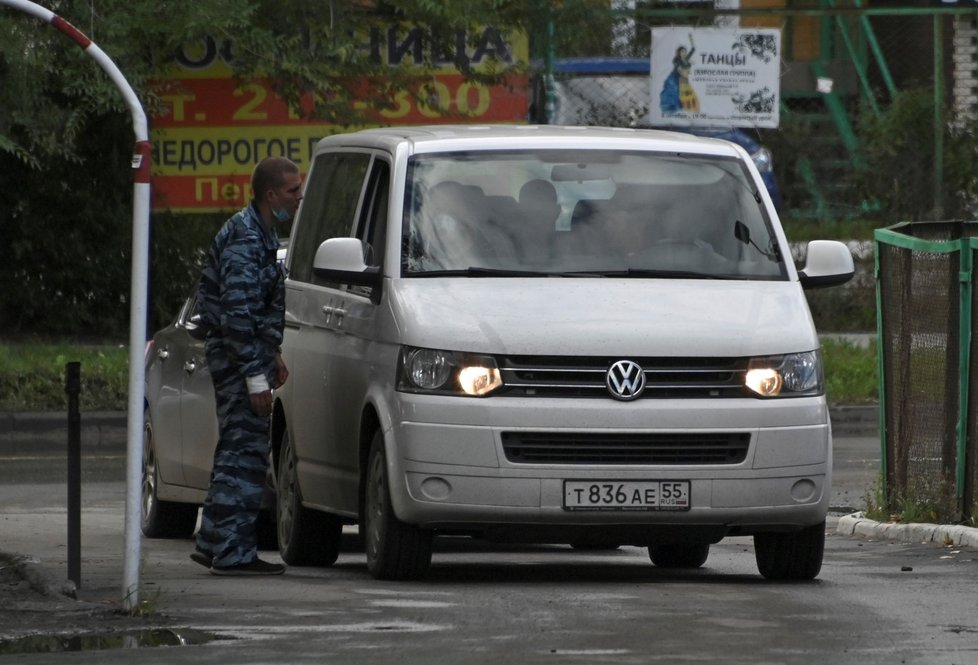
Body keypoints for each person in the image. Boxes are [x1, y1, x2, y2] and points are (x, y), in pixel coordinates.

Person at [191, 156, 302, 576]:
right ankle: (234, 554)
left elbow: (256, 308)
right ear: (271, 195)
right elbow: (237, 316)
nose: (298, 197)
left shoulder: (261, 233)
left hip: (248, 354)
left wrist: (271, 351)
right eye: (292, 191)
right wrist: (256, 377)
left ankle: (214, 541)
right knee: (246, 453)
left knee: (236, 448)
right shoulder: (245, 238)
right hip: (239, 360)